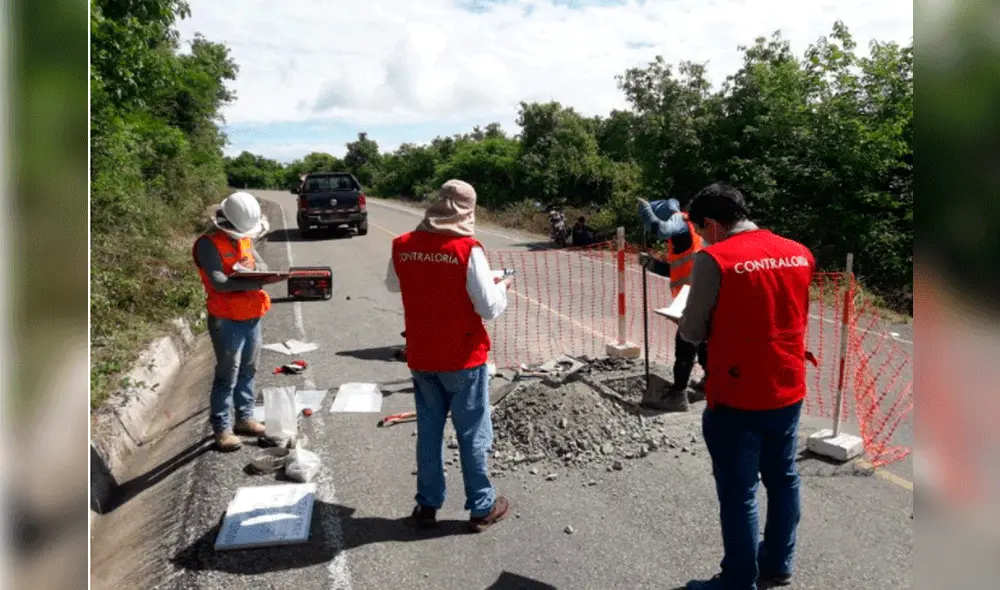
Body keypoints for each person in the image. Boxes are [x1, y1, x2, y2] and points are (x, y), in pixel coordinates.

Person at [676, 182, 815, 590]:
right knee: (783, 477)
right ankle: (779, 562)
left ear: (713, 225)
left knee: (739, 492)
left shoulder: (715, 259)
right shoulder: (799, 252)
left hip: (737, 394)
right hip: (787, 386)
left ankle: (738, 579)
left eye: (702, 230)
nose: (703, 238)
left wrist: (687, 321)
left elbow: (693, 332)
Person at [385, 179, 514, 533]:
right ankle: (482, 506)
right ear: (468, 211)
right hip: (463, 356)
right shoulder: (467, 248)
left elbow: (393, 284)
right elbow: (488, 307)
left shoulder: (403, 244)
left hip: (422, 354)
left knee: (429, 431)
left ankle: (427, 505)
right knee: (472, 433)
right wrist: (502, 287)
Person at [193, 191, 278, 451]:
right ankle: (222, 428)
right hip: (226, 319)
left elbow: (261, 265)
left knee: (249, 369)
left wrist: (256, 271)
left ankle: (245, 417)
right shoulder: (207, 244)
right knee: (227, 373)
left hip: (251, 315)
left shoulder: (244, 240)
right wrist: (254, 282)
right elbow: (219, 282)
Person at [637, 196, 708, 412]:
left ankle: (678, 395)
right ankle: (710, 384)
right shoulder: (696, 232)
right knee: (702, 341)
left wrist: (645, 211)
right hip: (702, 293)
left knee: (685, 344)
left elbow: (660, 229)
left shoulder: (680, 220)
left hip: (691, 297)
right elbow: (678, 268)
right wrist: (652, 264)